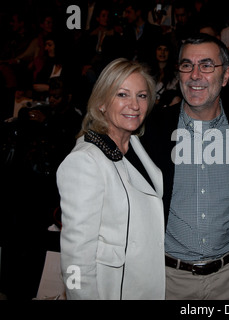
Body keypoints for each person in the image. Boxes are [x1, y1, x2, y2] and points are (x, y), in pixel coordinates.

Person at [141, 33, 229, 300]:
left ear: (225, 76)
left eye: (206, 65)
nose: (194, 75)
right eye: (186, 65)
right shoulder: (151, 130)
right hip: (168, 280)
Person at [57, 58, 165, 299]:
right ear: (103, 103)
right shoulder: (85, 161)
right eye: (123, 95)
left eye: (142, 96)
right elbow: (74, 258)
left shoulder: (137, 144)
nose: (134, 105)